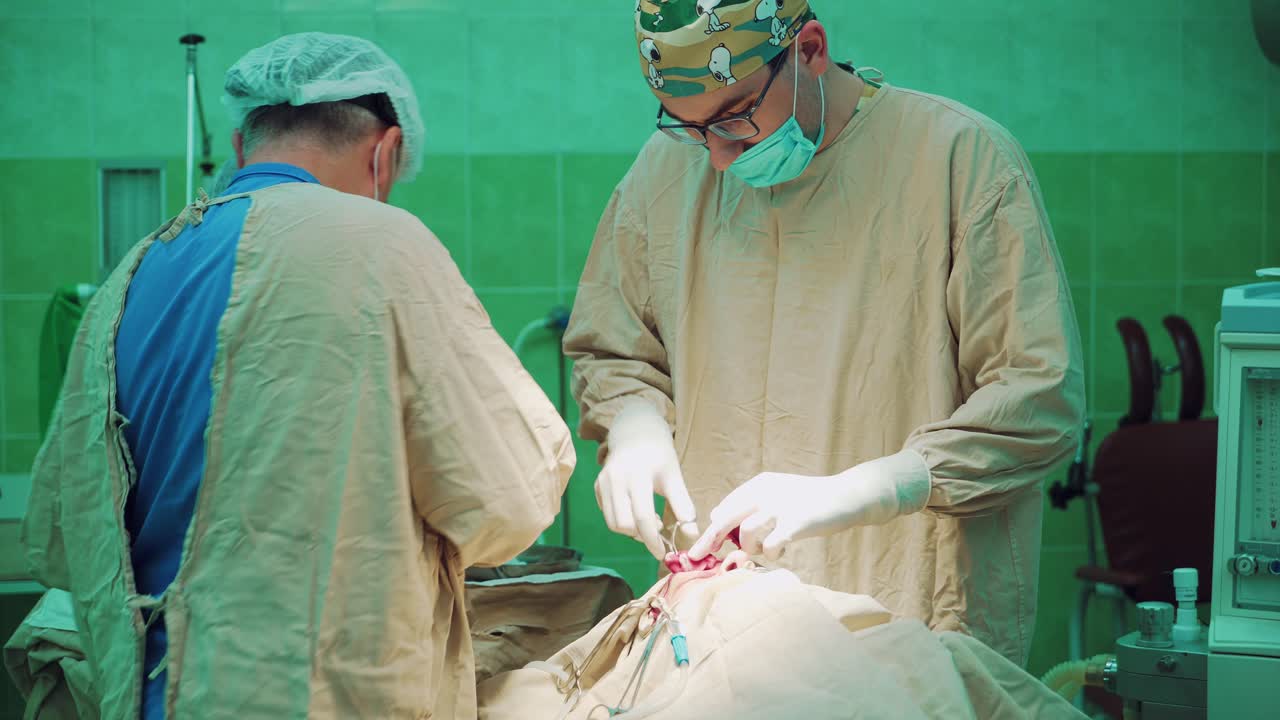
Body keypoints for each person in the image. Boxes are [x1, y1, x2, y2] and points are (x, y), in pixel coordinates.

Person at [22, 32, 574, 720]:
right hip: (317, 696)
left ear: (240, 146)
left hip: (149, 695)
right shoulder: (383, 246)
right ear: (387, 151)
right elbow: (505, 503)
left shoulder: (133, 272)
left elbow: (61, 531)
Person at [563, 0, 1085, 667]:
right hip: (729, 633)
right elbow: (614, 346)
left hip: (908, 621)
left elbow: (1038, 397)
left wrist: (877, 486)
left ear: (809, 49)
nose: (718, 159)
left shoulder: (959, 160)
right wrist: (633, 421)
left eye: (735, 120)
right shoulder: (667, 171)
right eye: (690, 128)